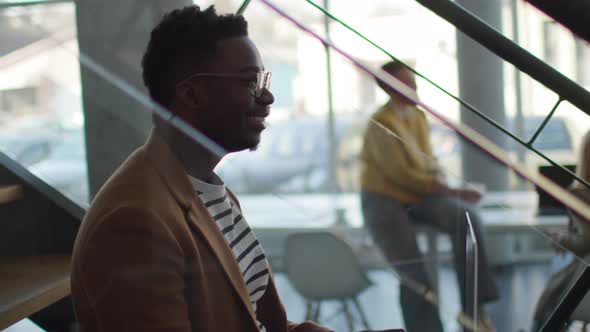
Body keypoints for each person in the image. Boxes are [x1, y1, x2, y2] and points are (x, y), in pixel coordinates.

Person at [71, 6, 332, 332]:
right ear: (192, 94)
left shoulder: (206, 189)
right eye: (250, 81)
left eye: (263, 80)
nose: (267, 97)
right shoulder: (135, 220)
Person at [359, 61, 499, 332]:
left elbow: (427, 164)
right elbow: (401, 175)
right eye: (406, 82)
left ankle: (474, 311)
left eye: (413, 80)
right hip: (384, 200)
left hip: (417, 195)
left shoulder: (418, 118)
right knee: (414, 272)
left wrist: (445, 184)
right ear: (389, 87)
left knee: (466, 218)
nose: (414, 87)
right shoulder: (381, 123)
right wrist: (451, 190)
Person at [532, 130, 590, 332]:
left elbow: (585, 244)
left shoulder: (580, 194)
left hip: (586, 278)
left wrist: (560, 238)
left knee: (549, 303)